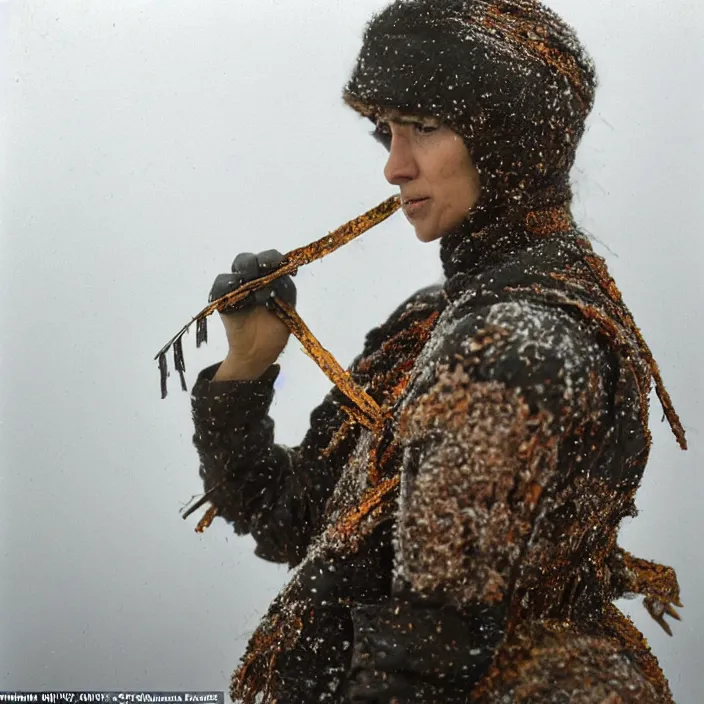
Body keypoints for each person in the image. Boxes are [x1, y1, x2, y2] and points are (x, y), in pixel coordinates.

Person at [189, 0, 686, 702]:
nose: (394, 166)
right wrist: (246, 368)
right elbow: (298, 520)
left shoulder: (512, 349)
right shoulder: (435, 323)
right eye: (385, 132)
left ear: (507, 138)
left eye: (422, 127)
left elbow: (425, 661)